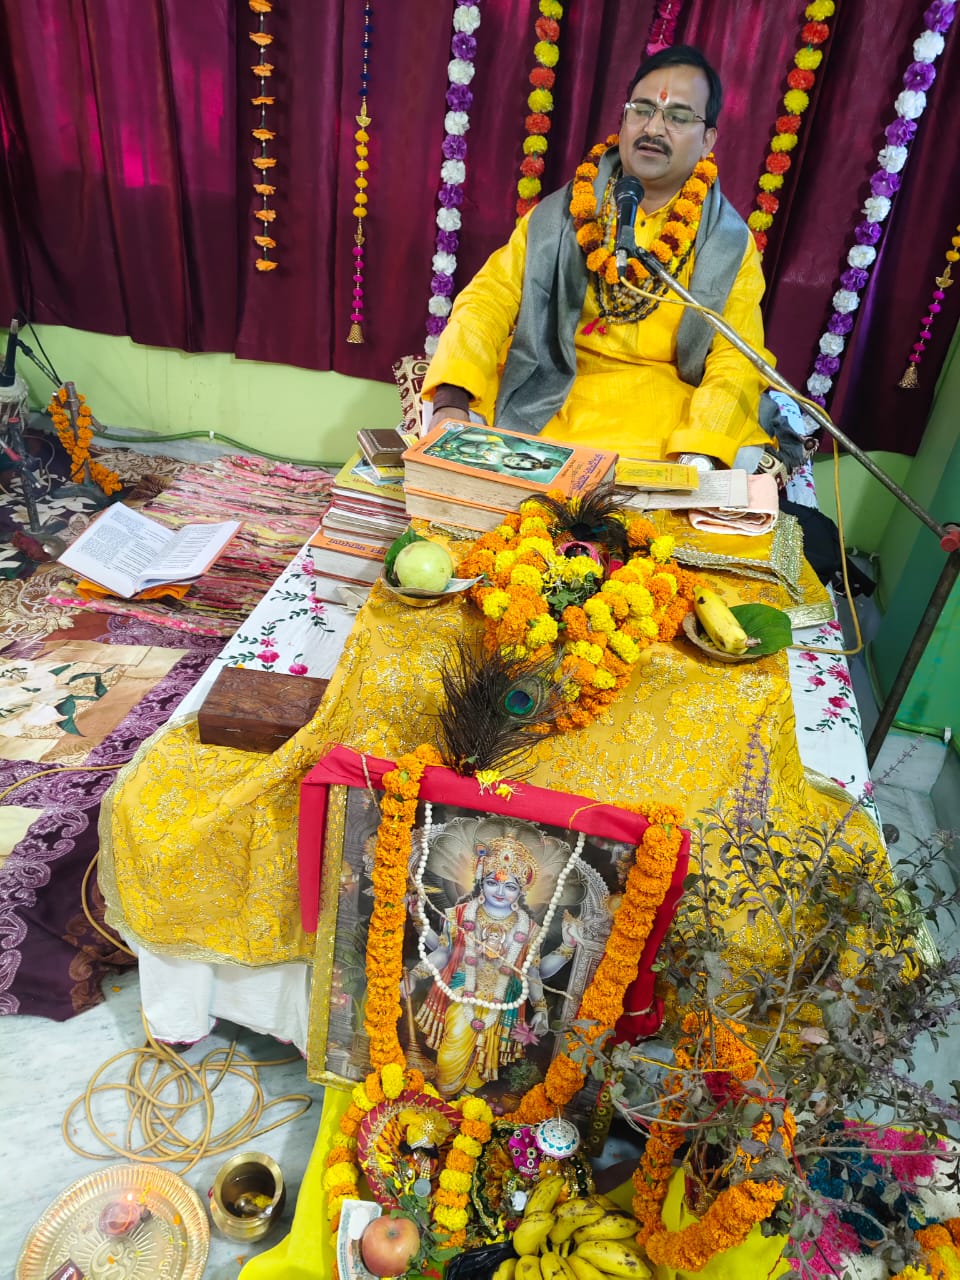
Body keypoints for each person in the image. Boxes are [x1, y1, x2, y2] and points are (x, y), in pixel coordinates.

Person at [422, 45, 775, 472]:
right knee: (465, 444)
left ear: (708, 141)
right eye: (641, 110)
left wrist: (700, 447)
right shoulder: (564, 213)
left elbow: (736, 355)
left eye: (678, 117)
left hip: (657, 407)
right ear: (624, 120)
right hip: (550, 387)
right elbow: (490, 297)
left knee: (727, 455)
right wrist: (452, 397)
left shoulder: (729, 243)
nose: (653, 127)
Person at [409, 829, 579, 1099]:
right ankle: (442, 1100)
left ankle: (467, 1106)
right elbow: (443, 953)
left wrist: (566, 948)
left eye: (510, 886)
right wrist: (416, 975)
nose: (500, 891)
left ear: (521, 889)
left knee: (485, 1060)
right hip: (461, 996)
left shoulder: (530, 929)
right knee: (451, 1047)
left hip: (504, 1005)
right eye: (493, 882)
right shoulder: (460, 914)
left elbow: (535, 972)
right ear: (481, 880)